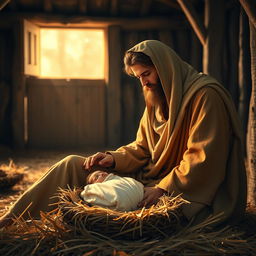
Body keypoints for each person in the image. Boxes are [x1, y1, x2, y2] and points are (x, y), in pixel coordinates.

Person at [0, 40, 247, 228]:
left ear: (165, 68)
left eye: (147, 74)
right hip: (152, 180)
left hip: (186, 192)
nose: (144, 83)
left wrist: (162, 189)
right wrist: (113, 159)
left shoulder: (205, 96)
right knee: (73, 165)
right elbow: (142, 147)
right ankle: (11, 222)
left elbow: (202, 158)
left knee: (134, 210)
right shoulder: (157, 98)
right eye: (139, 77)